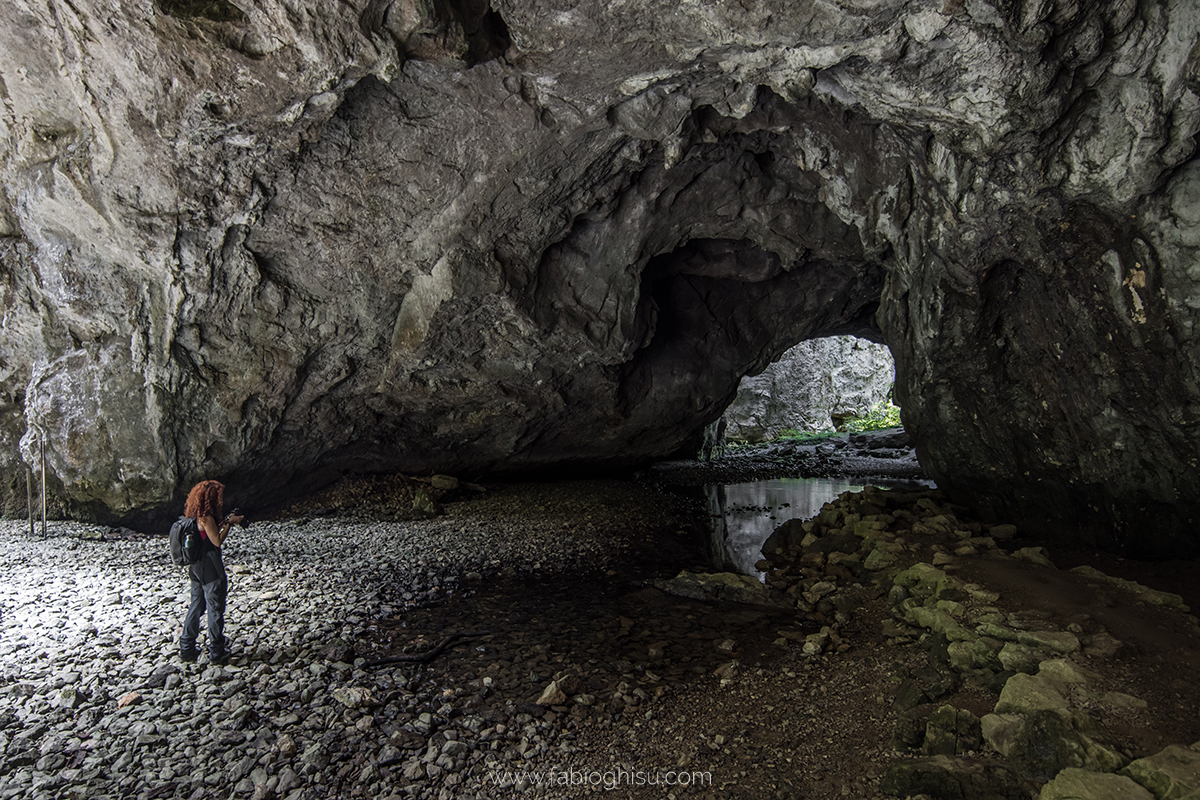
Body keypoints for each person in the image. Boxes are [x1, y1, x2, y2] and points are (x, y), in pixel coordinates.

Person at [178, 480, 244, 664]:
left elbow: (206, 535)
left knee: (196, 605)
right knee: (215, 608)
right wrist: (229, 525)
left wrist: (223, 521)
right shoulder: (206, 517)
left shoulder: (193, 516)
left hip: (196, 568)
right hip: (210, 568)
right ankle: (217, 651)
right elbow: (216, 541)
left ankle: (187, 648)